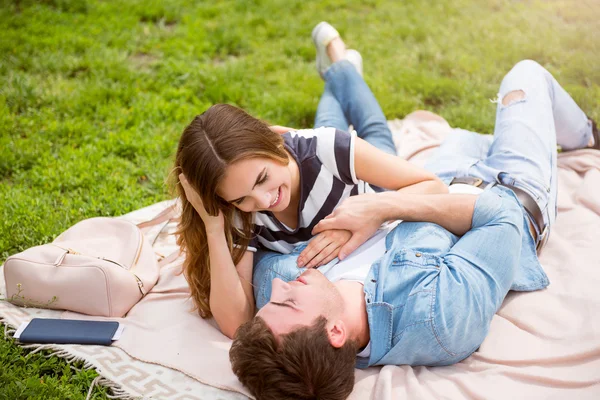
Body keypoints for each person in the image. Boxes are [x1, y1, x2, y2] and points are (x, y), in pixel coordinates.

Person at [228, 50, 599, 400]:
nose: (277, 284)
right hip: (510, 185)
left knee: (458, 137)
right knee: (525, 76)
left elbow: (250, 273)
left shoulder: (282, 294)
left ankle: (340, 72)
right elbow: (499, 214)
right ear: (335, 332)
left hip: (435, 174)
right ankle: (587, 136)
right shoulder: (438, 318)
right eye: (288, 301)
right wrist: (380, 207)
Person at [174, 22, 448, 338]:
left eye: (263, 178)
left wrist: (369, 215)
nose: (262, 202)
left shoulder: (328, 149)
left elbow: (434, 187)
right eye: (242, 198)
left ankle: (339, 58)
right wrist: (212, 225)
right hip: (313, 157)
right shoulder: (237, 206)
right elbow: (236, 323)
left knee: (374, 129)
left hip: (371, 188)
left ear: (276, 139)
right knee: (330, 121)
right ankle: (339, 74)